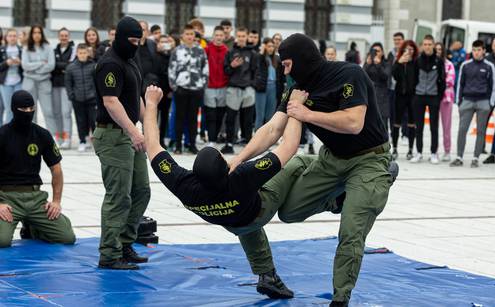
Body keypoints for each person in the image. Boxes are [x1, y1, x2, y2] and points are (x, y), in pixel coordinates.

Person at [231, 33, 393, 306]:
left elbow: (354, 122)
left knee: (351, 232)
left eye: (286, 64)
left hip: (369, 161)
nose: (283, 70)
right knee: (290, 212)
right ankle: (337, 198)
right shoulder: (296, 87)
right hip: (331, 159)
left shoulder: (348, 74)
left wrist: (306, 114)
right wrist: (238, 159)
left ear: (301, 60)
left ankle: (341, 298)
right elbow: (272, 129)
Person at [143, 84, 305, 299]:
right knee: (299, 164)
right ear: (226, 170)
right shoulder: (241, 177)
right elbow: (289, 147)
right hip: (260, 208)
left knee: (244, 223)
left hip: (232, 222)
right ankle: (335, 201)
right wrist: (296, 110)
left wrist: (151, 104)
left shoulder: (184, 185)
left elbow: (152, 146)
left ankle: (267, 276)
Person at [93, 16, 150, 270]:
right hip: (113, 136)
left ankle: (125, 242)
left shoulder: (130, 60)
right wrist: (133, 131)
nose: (136, 45)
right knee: (119, 196)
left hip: (129, 134)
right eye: (133, 40)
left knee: (141, 191)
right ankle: (110, 253)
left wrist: (147, 129)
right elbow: (111, 102)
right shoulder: (110, 64)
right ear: (120, 38)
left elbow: (136, 97)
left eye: (140, 41)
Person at [0, 90, 75, 247]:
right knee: (2, 241)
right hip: (7, 198)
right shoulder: (3, 134)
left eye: (31, 109)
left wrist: (56, 201)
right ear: (14, 109)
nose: (28, 113)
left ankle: (33, 226)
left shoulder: (42, 134)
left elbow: (56, 170)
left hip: (35, 198)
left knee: (67, 237)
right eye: (23, 110)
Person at [450, 40, 495, 168]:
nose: (476, 52)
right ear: (472, 51)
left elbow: (494, 86)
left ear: (483, 51)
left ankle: (476, 158)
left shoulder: (489, 66)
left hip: (483, 102)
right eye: (474, 50)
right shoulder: (466, 65)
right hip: (467, 101)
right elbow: (460, 84)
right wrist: (459, 102)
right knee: (462, 129)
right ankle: (459, 157)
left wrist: (490, 103)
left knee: (481, 131)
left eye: (479, 50)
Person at [168, 24, 208, 154]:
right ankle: (178, 145)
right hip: (181, 89)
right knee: (179, 117)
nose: (190, 36)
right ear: (182, 36)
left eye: (192, 34)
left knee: (193, 118)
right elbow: (171, 69)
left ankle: (192, 144)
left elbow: (205, 69)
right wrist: (174, 86)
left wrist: (202, 85)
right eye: (187, 34)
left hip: (196, 89)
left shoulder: (200, 50)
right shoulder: (177, 51)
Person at [221, 27, 259, 154]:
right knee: (230, 118)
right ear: (236, 37)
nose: (241, 38)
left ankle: (249, 144)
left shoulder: (252, 53)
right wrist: (232, 66)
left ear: (247, 37)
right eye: (239, 36)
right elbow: (225, 71)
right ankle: (229, 143)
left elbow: (256, 71)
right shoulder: (230, 52)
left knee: (248, 119)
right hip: (233, 88)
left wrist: (252, 85)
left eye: (243, 36)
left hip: (248, 90)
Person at [410, 35, 445, 164]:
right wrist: (414, 95)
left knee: (433, 127)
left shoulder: (439, 61)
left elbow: (443, 80)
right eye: (425, 44)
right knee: (418, 126)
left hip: (433, 96)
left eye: (430, 44)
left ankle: (434, 153)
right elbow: (413, 79)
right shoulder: (417, 61)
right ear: (422, 46)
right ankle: (418, 152)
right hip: (419, 96)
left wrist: (438, 96)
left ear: (434, 45)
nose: (427, 46)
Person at [21, 25, 56, 134]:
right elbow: (25, 65)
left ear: (42, 34)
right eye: (34, 33)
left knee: (48, 111)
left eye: (39, 32)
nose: (37, 35)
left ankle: (52, 137)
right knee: (31, 112)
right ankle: (32, 136)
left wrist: (34, 70)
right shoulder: (26, 48)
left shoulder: (48, 47)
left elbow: (51, 65)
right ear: (31, 34)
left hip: (44, 82)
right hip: (29, 82)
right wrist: (41, 63)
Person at [64, 43, 96, 152]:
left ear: (88, 53)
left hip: (92, 99)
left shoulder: (93, 66)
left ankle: (96, 141)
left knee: (93, 120)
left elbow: (97, 82)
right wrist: (71, 95)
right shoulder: (71, 67)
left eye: (84, 53)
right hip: (78, 99)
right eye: (80, 53)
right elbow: (68, 83)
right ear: (77, 54)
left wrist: (96, 95)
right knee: (80, 121)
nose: (82, 55)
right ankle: (82, 141)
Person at [391, 40, 418, 160]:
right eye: (407, 49)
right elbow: (394, 76)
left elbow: (417, 78)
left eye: (411, 49)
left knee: (412, 123)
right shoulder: (399, 61)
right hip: (400, 95)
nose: (409, 51)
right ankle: (395, 149)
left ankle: (411, 150)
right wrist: (399, 63)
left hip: (413, 96)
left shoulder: (416, 62)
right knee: (397, 122)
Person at [205, 26, 229, 147]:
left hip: (223, 86)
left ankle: (216, 136)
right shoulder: (207, 49)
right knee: (211, 114)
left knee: (220, 114)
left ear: (224, 37)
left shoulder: (227, 50)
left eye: (221, 35)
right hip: (209, 86)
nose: (219, 37)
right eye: (217, 35)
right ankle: (211, 140)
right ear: (213, 36)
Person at [52, 27, 75, 149]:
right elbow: (52, 65)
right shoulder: (54, 50)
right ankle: (59, 137)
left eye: (66, 35)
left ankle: (67, 138)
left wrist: (59, 66)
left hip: (67, 85)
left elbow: (71, 66)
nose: (63, 37)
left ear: (68, 36)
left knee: (66, 112)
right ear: (58, 36)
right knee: (57, 113)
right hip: (55, 84)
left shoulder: (73, 50)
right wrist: (62, 67)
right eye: (61, 35)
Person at [435, 42, 455, 162]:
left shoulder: (449, 64)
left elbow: (450, 81)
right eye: (435, 49)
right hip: (433, 97)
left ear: (443, 51)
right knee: (434, 126)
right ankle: (434, 151)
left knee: (446, 126)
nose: (437, 51)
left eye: (439, 49)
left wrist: (437, 83)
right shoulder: (431, 63)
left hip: (446, 98)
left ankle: (447, 151)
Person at [364, 42, 391, 132]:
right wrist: (367, 64)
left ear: (382, 52)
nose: (376, 53)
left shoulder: (386, 63)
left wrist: (378, 65)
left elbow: (386, 76)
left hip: (382, 96)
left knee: (383, 122)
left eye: (378, 51)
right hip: (370, 95)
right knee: (369, 121)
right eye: (374, 51)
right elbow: (362, 76)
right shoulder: (368, 63)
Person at [255, 37, 280, 130]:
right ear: (264, 46)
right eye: (268, 46)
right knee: (260, 115)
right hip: (262, 87)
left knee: (270, 115)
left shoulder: (276, 59)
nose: (271, 48)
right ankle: (257, 136)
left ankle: (268, 137)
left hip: (273, 87)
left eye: (272, 46)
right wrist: (262, 52)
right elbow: (257, 66)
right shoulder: (260, 57)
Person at [0, 28, 23, 124]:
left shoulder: (22, 50)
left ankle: (13, 131)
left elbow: (26, 66)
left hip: (19, 82)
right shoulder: (1, 49)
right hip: (5, 83)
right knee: (9, 108)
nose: (12, 38)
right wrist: (6, 63)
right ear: (6, 37)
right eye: (10, 36)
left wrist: (21, 62)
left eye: (14, 36)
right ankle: (7, 133)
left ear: (17, 37)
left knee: (17, 108)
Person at [387, 32, 405, 143]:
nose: (397, 42)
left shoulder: (407, 53)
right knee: (392, 112)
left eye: (399, 39)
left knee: (404, 113)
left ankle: (405, 134)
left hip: (402, 88)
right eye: (395, 40)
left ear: (403, 40)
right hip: (391, 88)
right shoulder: (391, 54)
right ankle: (393, 133)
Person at [155, 34, 173, 147]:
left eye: (166, 42)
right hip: (156, 90)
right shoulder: (155, 55)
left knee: (165, 117)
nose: (164, 44)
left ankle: (161, 139)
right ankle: (154, 139)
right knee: (154, 117)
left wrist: (171, 89)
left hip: (168, 91)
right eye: (162, 42)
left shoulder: (172, 56)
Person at [136, 20, 159, 92]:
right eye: (139, 29)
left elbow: (156, 60)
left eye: (143, 30)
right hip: (136, 80)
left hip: (150, 81)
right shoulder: (133, 44)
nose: (141, 32)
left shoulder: (152, 44)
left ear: (147, 32)